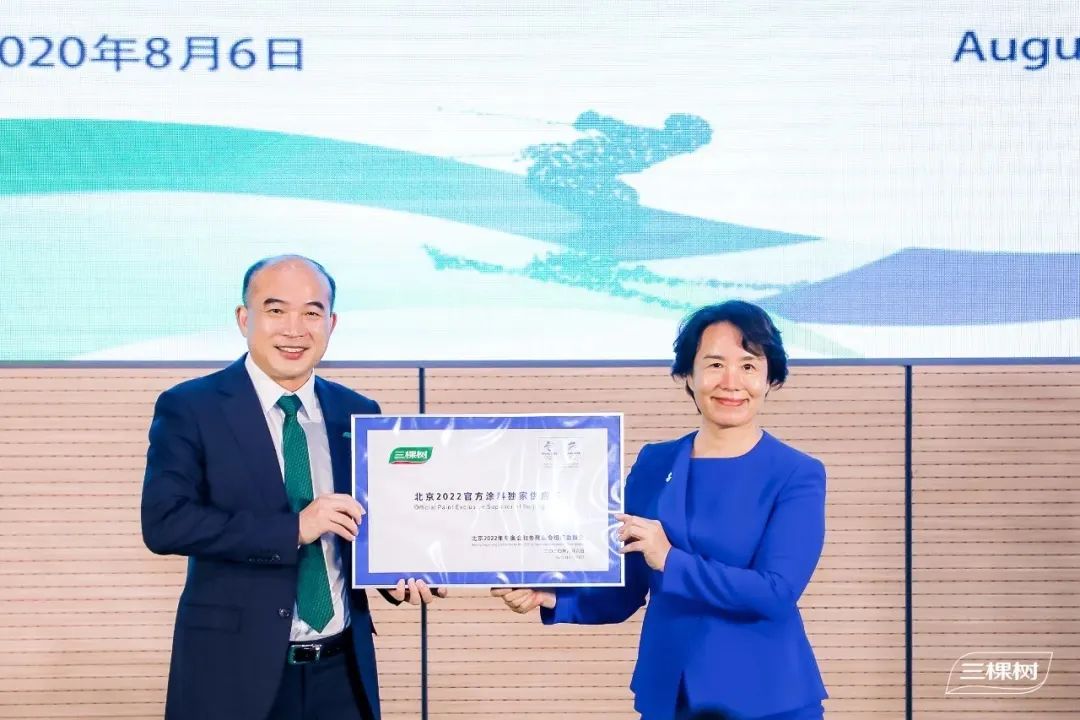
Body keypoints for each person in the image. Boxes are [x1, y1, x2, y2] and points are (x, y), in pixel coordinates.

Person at [493, 300, 828, 720]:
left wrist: (669, 558)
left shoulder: (796, 473)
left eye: (748, 366)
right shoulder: (655, 462)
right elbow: (628, 587)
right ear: (688, 374)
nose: (731, 382)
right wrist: (554, 597)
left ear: (769, 377)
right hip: (670, 693)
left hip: (766, 697)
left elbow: (775, 593)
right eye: (714, 364)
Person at [142, 255, 444, 720]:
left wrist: (395, 573)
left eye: (312, 312)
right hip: (233, 672)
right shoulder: (191, 406)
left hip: (342, 671)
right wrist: (293, 529)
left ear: (331, 323)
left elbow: (371, 528)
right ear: (244, 318)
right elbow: (165, 523)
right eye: (276, 310)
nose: (295, 329)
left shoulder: (357, 411)